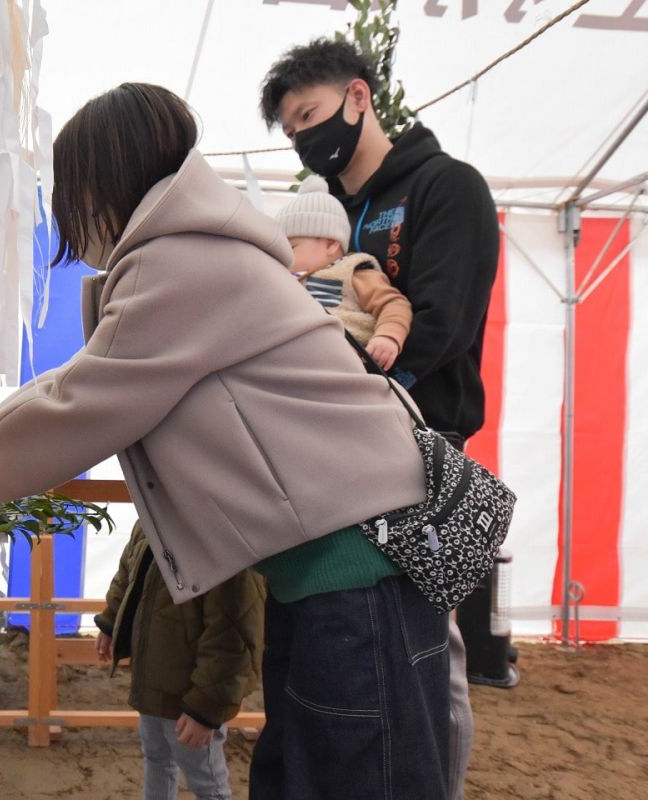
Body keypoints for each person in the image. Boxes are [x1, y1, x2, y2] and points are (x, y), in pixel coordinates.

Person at [0, 81, 450, 798]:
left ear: (105, 179)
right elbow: (90, 371)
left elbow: (95, 394)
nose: (77, 217)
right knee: (314, 768)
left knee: (356, 773)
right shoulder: (193, 250)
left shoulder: (182, 258)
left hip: (361, 569)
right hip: (340, 569)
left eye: (77, 194)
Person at [260, 37, 502, 800]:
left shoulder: (444, 188)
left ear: (359, 97)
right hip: (334, 461)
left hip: (419, 449)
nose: (304, 136)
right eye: (291, 128)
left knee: (430, 653)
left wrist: (358, 373)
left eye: (311, 115)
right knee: (367, 660)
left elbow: (445, 323)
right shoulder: (328, 213)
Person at [94, 522, 265, 800]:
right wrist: (111, 621)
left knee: (206, 780)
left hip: (193, 692)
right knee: (157, 757)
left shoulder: (225, 538)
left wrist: (207, 706)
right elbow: (129, 572)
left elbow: (235, 634)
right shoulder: (152, 517)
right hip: (153, 677)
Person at [276, 174, 412, 370]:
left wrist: (388, 336)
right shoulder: (282, 280)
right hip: (293, 363)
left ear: (331, 245)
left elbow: (393, 304)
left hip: (343, 361)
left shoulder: (352, 272)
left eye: (291, 247)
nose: (283, 257)